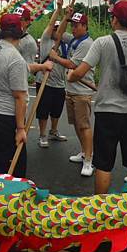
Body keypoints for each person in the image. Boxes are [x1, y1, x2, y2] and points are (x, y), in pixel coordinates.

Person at [68, 0, 127, 193]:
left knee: (104, 165)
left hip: (108, 112)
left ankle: (100, 208)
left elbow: (79, 72)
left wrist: (71, 76)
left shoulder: (103, 43)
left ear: (114, 20)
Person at [0, 14, 53, 177]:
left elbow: (23, 67)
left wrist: (42, 66)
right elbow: (20, 97)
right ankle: (5, 201)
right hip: (3, 122)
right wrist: (20, 129)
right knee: (9, 173)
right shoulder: (15, 57)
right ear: (20, 31)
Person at [49, 11, 95, 176]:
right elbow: (57, 34)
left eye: (76, 25)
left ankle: (89, 160)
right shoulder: (74, 39)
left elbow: (71, 64)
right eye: (72, 25)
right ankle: (83, 152)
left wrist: (55, 58)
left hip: (82, 91)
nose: (73, 28)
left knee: (84, 125)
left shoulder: (86, 44)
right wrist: (63, 14)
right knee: (76, 124)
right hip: (71, 90)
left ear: (84, 26)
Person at [35, 0, 68, 147]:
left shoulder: (65, 43)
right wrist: (58, 9)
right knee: (43, 110)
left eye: (58, 29)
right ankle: (42, 135)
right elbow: (49, 25)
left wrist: (67, 17)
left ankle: (53, 131)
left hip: (60, 83)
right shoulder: (46, 40)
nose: (55, 31)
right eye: (54, 29)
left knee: (56, 110)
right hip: (44, 82)